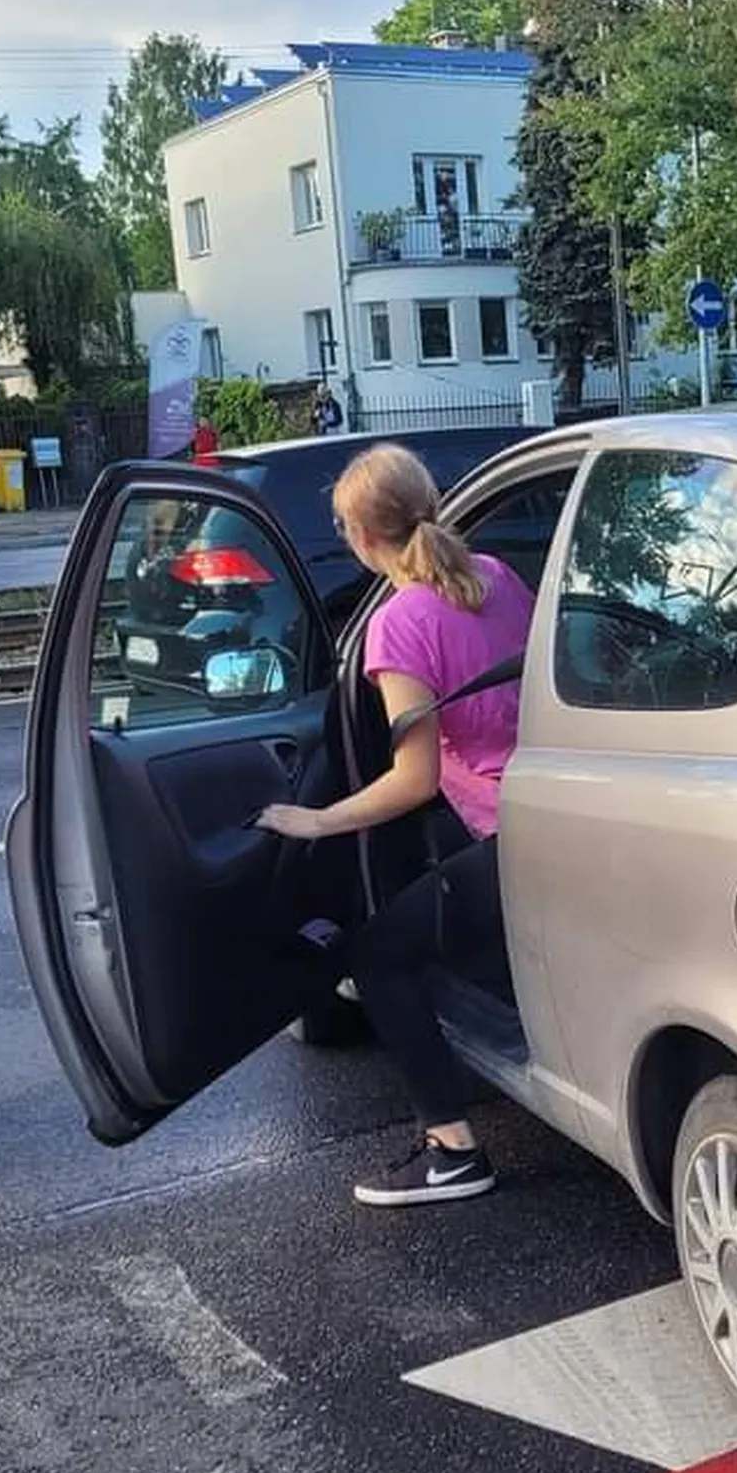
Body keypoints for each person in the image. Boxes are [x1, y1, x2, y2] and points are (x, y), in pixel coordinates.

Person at [253, 443, 529, 1207]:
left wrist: (316, 819)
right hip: (548, 813)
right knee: (418, 891)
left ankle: (453, 1150)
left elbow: (416, 780)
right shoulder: (498, 578)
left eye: (343, 528)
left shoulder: (397, 625)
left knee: (376, 954)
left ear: (360, 537)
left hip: (509, 841)